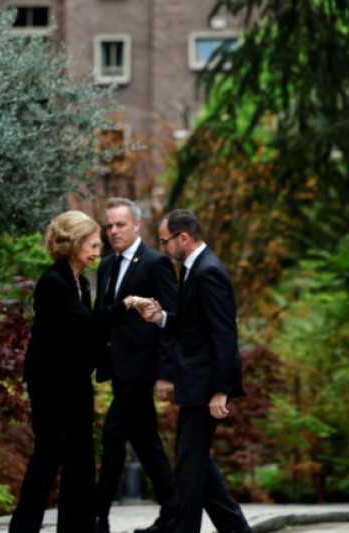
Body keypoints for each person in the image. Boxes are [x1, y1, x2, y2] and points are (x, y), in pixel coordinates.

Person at [9, 210, 131, 533]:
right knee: (49, 454)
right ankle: (23, 529)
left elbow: (86, 335)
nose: (97, 252)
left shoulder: (80, 282)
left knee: (80, 456)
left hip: (76, 380)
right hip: (49, 382)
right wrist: (126, 306)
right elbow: (83, 321)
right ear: (74, 244)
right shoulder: (53, 281)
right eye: (92, 245)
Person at [134, 209, 251, 533]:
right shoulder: (192, 269)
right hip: (196, 383)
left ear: (183, 238)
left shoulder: (207, 271)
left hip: (206, 387)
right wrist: (161, 318)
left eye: (165, 241)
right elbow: (192, 328)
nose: (163, 248)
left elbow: (224, 334)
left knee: (189, 465)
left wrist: (221, 390)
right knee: (197, 464)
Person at [93, 198, 177, 533]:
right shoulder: (106, 265)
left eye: (120, 224)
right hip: (117, 368)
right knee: (145, 442)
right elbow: (104, 316)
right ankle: (174, 513)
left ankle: (97, 516)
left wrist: (165, 372)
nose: (113, 231)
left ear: (137, 225)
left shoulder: (156, 263)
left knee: (113, 435)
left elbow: (170, 320)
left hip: (141, 371)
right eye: (109, 225)